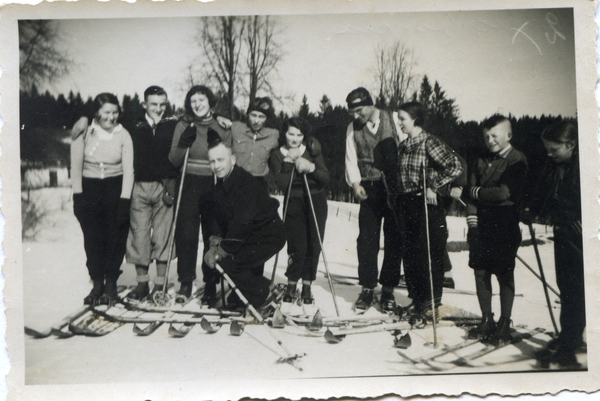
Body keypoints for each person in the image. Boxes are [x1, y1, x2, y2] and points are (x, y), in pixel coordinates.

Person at [204, 131, 286, 309]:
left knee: (228, 262)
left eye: (221, 160)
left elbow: (240, 225)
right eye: (212, 161)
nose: (216, 166)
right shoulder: (220, 185)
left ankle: (265, 294)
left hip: (269, 236)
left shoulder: (244, 184)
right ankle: (246, 295)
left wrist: (221, 252)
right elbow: (219, 219)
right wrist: (214, 243)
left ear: (232, 159)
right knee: (232, 260)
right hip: (252, 234)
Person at [395, 101, 462, 320]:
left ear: (415, 119)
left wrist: (434, 186)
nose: (400, 123)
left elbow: (455, 165)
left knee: (428, 255)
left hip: (427, 204)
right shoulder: (404, 146)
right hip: (407, 203)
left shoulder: (429, 142)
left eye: (403, 118)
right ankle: (416, 301)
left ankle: (431, 304)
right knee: (411, 255)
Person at [464, 115, 528, 344]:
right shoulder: (480, 159)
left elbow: (504, 193)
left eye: (494, 136)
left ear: (508, 136)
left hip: (505, 224)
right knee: (480, 271)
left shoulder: (516, 159)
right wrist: (472, 221)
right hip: (480, 223)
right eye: (486, 136)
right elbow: (469, 191)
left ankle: (504, 322)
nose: (489, 141)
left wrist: (476, 193)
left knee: (503, 272)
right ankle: (486, 319)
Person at [527, 120, 584, 367]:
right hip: (564, 235)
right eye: (547, 149)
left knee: (579, 291)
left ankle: (569, 344)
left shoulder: (587, 166)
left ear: (571, 144)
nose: (549, 154)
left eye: (554, 149)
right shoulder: (554, 166)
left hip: (583, 239)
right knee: (568, 290)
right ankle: (567, 337)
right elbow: (543, 192)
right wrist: (532, 209)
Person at [169, 85, 232, 304]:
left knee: (212, 233)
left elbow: (230, 157)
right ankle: (186, 281)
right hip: (188, 181)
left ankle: (211, 282)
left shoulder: (222, 126)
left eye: (201, 100)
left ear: (209, 101)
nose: (197, 104)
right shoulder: (183, 124)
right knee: (186, 233)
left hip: (213, 181)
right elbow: (174, 160)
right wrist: (183, 142)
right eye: (193, 100)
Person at [344, 87, 404, 312]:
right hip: (369, 187)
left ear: (371, 105)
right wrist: (355, 183)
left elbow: (407, 147)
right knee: (367, 239)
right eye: (352, 111)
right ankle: (368, 288)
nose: (356, 115)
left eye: (359, 110)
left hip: (395, 186)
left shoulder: (394, 118)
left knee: (393, 238)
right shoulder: (353, 128)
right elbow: (351, 158)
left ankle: (388, 289)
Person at [70, 93, 134, 305]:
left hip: (114, 190)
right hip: (90, 190)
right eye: (107, 112)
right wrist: (78, 195)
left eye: (115, 112)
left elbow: (129, 170)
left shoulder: (123, 135)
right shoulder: (85, 131)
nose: (111, 117)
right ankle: (97, 284)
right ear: (97, 112)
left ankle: (111, 286)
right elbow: (76, 165)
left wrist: (125, 200)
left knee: (115, 238)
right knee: (93, 239)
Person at [123, 86, 180, 301]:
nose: (158, 109)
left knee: (163, 235)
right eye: (154, 104)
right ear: (145, 104)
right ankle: (142, 285)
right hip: (139, 186)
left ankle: (160, 284)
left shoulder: (173, 124)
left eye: (162, 104)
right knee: (139, 234)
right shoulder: (134, 124)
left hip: (164, 186)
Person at [269, 117, 330, 304]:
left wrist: (310, 167)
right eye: (290, 134)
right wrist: (289, 162)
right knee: (297, 245)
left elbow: (325, 177)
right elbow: (282, 183)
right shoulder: (277, 154)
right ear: (284, 134)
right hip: (293, 201)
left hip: (315, 199)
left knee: (314, 244)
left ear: (304, 135)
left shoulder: (311, 149)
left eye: (299, 135)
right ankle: (292, 284)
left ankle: (307, 286)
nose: (295, 139)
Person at [231, 97, 279, 189]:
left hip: (259, 183)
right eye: (253, 115)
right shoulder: (236, 127)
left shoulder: (274, 134)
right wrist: (217, 116)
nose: (256, 121)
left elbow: (294, 137)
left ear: (267, 118)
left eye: (261, 117)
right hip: (235, 181)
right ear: (248, 115)